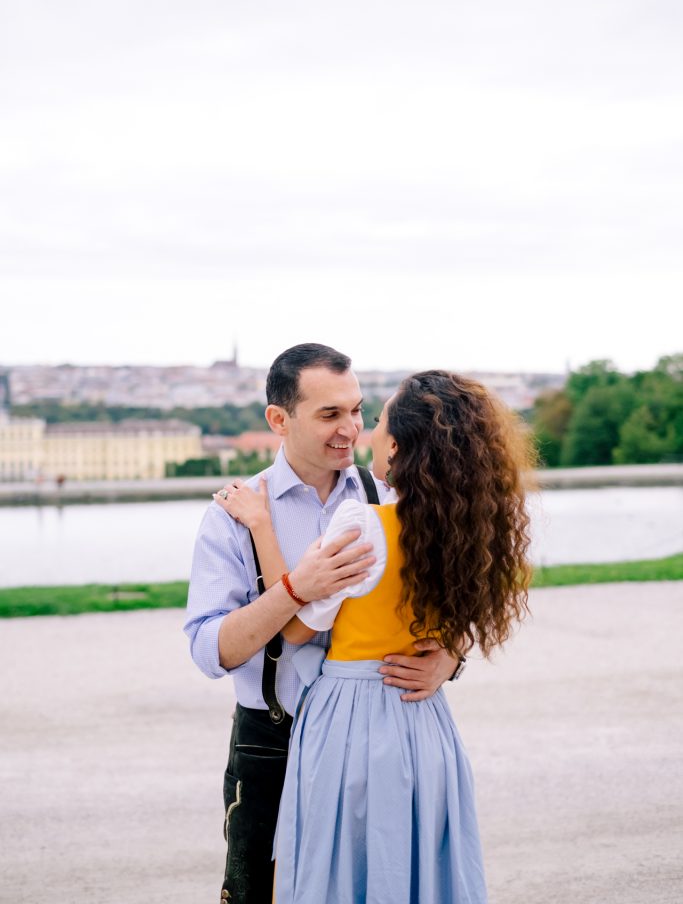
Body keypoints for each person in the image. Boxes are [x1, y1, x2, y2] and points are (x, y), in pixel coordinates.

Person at [217, 369, 534, 903]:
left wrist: (263, 527)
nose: (359, 431)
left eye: (371, 417)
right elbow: (463, 607)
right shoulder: (457, 523)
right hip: (423, 725)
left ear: (397, 444)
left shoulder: (364, 520)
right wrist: (449, 651)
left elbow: (293, 627)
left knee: (341, 874)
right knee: (416, 870)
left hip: (349, 721)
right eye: (333, 414)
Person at [184, 345, 459, 904]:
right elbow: (210, 649)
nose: (352, 430)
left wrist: (450, 656)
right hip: (272, 744)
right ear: (278, 420)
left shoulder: (391, 495)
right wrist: (294, 591)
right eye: (330, 415)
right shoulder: (233, 516)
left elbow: (459, 585)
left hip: (377, 736)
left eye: (358, 411)